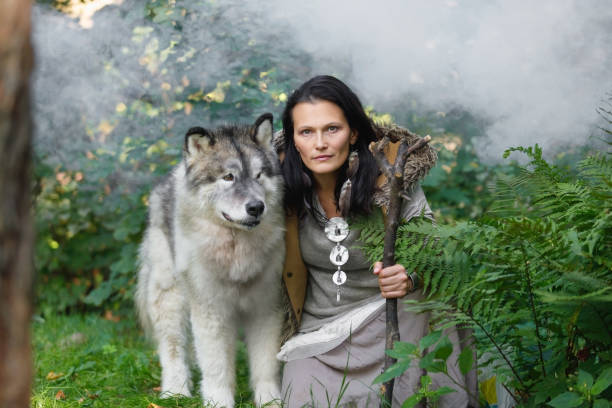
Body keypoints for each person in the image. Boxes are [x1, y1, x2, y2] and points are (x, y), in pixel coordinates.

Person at [276, 75, 478, 408]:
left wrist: (408, 275)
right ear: (294, 140)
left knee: (421, 303)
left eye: (332, 129)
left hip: (393, 317)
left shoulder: (392, 176)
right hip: (321, 333)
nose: (320, 143)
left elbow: (432, 249)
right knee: (301, 397)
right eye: (306, 132)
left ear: (353, 132)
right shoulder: (277, 190)